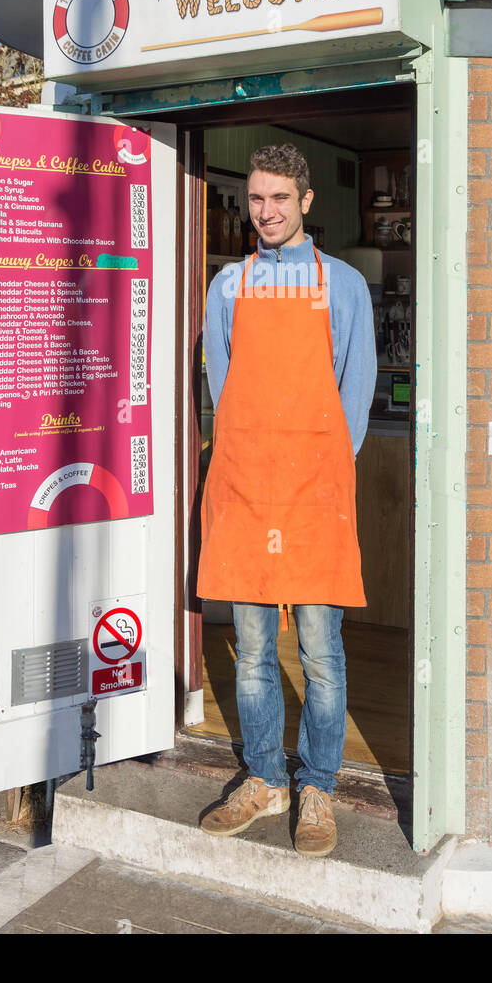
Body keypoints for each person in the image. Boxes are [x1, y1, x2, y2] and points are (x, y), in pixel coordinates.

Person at [197, 142, 376, 857]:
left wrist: (323, 471)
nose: (266, 211)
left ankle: (318, 787)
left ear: (306, 201)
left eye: (280, 198)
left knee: (321, 653)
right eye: (257, 198)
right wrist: (248, 465)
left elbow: (354, 394)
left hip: (314, 491)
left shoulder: (345, 286)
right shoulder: (227, 288)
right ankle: (266, 779)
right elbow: (222, 389)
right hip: (247, 488)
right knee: (252, 655)